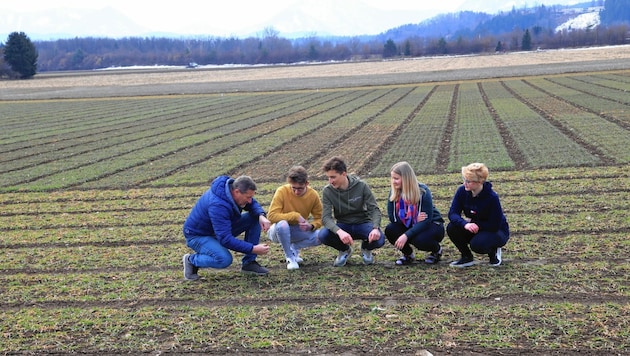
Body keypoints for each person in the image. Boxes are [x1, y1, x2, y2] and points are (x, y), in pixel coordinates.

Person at [182, 175, 271, 280]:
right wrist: (253, 249)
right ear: (237, 192)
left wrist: (261, 215)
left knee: (254, 218)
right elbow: (225, 239)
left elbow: (252, 204)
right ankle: (191, 261)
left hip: (217, 229)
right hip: (198, 235)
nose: (250, 201)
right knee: (224, 259)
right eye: (248, 197)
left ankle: (249, 264)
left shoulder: (231, 190)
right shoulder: (218, 205)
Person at [319, 156, 385, 266]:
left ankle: (366, 248)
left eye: (333, 177)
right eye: (328, 178)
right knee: (323, 235)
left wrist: (375, 228)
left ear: (344, 174)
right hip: (343, 225)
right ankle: (345, 250)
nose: (330, 181)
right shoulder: (328, 191)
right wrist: (339, 231)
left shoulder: (361, 186)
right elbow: (326, 218)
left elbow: (374, 209)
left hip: (363, 223)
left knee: (379, 239)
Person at [447, 163, 509, 267]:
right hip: (475, 227)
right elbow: (453, 213)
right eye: (464, 179)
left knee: (478, 245)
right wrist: (465, 224)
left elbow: (494, 225)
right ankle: (466, 257)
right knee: (452, 227)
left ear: (480, 182)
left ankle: (493, 252)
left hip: (495, 231)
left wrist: (474, 223)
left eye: (468, 181)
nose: (465, 183)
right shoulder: (461, 191)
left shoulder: (492, 198)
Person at [385, 162, 445, 265]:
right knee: (391, 230)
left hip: (432, 224)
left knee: (419, 240)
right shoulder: (394, 192)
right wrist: (412, 219)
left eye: (396, 178)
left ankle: (437, 250)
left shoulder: (423, 192)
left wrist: (406, 234)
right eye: (392, 178)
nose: (393, 182)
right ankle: (408, 254)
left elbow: (426, 220)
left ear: (406, 178)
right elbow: (393, 218)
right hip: (411, 223)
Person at [267, 165, 323, 270]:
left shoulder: (313, 195)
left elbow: (320, 218)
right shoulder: (282, 191)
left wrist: (311, 226)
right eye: (294, 188)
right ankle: (290, 257)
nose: (296, 192)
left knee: (323, 236)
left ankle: (294, 248)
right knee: (283, 225)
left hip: (297, 230)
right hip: (277, 231)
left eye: (300, 188)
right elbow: (271, 216)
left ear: (307, 183)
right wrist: (295, 215)